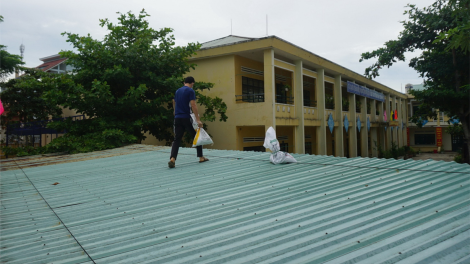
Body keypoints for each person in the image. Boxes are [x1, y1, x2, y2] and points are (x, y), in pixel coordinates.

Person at [168, 76, 209, 168]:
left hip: (177, 118)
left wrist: (175, 111)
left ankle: (173, 158)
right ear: (192, 83)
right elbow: (193, 105)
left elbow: (174, 101)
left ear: (184, 83)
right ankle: (201, 157)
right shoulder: (190, 91)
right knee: (196, 136)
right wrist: (198, 120)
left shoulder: (178, 91)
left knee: (177, 138)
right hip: (186, 117)